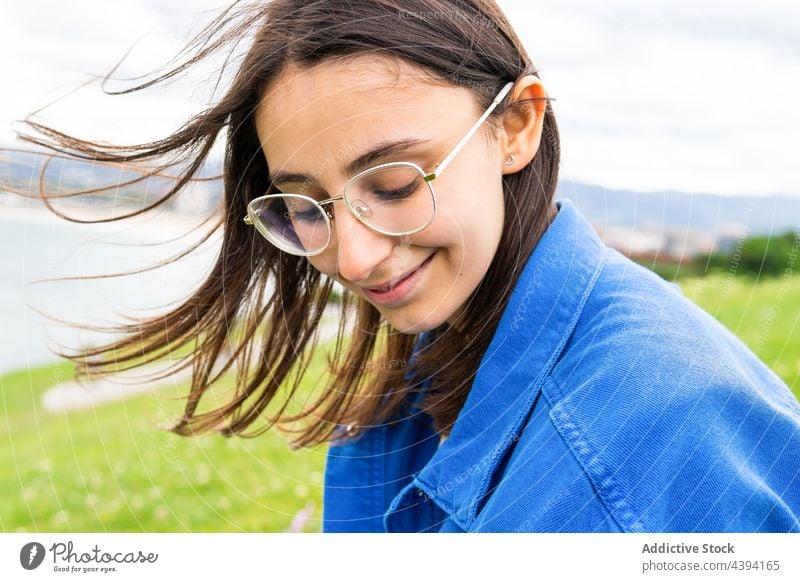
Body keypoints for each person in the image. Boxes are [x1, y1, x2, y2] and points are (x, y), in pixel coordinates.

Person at [13, 0, 800, 532]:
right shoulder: (463, 331)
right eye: (306, 207)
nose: (350, 258)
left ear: (516, 125)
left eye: (392, 185)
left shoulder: (615, 467)